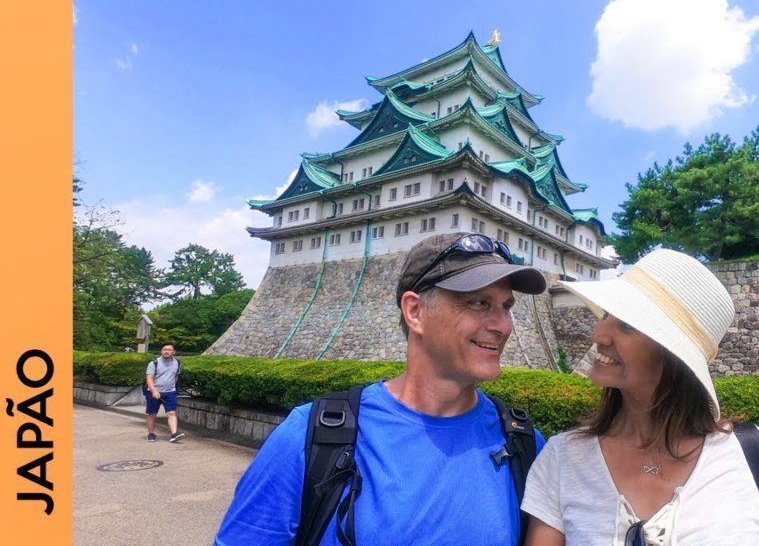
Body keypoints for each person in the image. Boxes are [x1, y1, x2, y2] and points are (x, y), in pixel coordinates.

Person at [215, 232, 548, 546]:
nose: (503, 326)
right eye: (478, 303)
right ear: (415, 311)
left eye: (506, 307)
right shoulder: (312, 437)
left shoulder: (523, 443)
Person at [521, 248, 759, 546]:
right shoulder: (563, 458)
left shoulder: (752, 455)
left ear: (673, 356)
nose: (598, 335)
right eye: (606, 314)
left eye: (627, 324)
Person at [145, 343, 184, 443]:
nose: (166, 351)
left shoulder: (177, 362)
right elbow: (149, 378)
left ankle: (174, 434)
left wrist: (172, 387)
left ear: (174, 352)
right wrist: (154, 390)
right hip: (154, 392)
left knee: (171, 412)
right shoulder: (154, 363)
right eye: (164, 349)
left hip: (170, 392)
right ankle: (151, 434)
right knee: (152, 413)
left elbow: (176, 376)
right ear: (161, 351)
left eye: (169, 350)